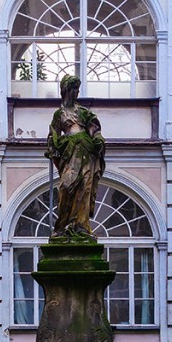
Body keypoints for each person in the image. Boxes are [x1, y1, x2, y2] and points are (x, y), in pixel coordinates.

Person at [45, 75, 105, 240]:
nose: (76, 92)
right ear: (65, 90)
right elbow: (53, 135)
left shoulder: (84, 112)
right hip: (69, 151)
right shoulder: (59, 114)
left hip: (86, 150)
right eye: (73, 89)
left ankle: (81, 226)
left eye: (77, 89)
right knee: (66, 186)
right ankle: (62, 227)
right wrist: (52, 148)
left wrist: (98, 138)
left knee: (84, 189)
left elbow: (94, 128)